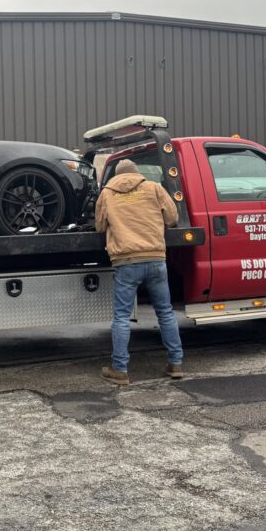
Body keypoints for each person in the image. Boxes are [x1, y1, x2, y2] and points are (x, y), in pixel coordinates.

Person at [95, 159, 184, 384]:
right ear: (137, 173)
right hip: (155, 258)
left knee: (122, 317)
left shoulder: (107, 194)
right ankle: (175, 363)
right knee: (165, 312)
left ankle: (120, 370)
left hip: (126, 260)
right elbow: (172, 218)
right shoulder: (153, 187)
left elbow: (100, 226)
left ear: (116, 176)